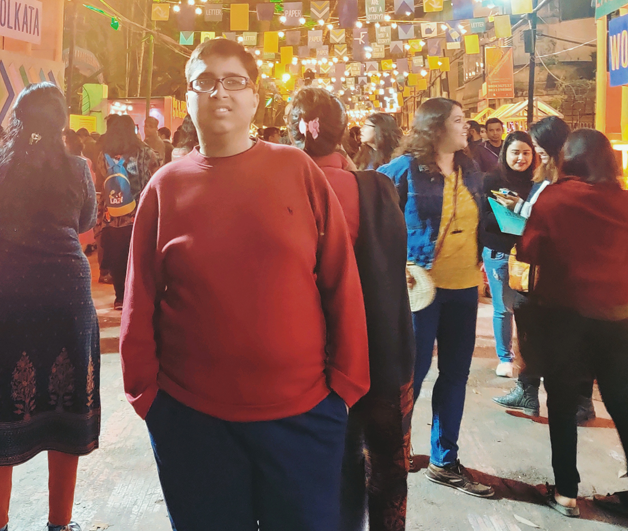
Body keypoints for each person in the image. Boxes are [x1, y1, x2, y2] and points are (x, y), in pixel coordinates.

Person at [120, 38, 370, 531]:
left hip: (304, 416)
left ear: (255, 97)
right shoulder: (165, 187)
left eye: (234, 81)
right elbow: (139, 296)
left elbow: (341, 279)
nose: (219, 93)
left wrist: (344, 387)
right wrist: (146, 396)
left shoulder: (297, 170)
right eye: (204, 82)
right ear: (188, 98)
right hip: (192, 420)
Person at [0, 83, 100, 531]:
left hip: (7, 295)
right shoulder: (78, 169)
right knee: (66, 405)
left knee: (2, 408)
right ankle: (60, 524)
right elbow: (85, 221)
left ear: (16, 117)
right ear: (60, 123)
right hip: (66, 295)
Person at [288, 87, 415, 531]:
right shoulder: (377, 188)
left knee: (328, 463)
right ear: (344, 134)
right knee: (383, 466)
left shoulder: (285, 192)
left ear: (293, 133)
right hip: (379, 347)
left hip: (312, 356)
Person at [379, 98, 494, 498]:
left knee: (456, 375)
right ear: (436, 127)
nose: (467, 127)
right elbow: (372, 218)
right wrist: (394, 268)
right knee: (412, 375)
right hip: (420, 292)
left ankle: (444, 460)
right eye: (459, 121)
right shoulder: (403, 170)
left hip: (464, 289)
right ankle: (395, 451)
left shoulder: (471, 169)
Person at [516, 128, 628, 517]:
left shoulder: (555, 198)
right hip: (618, 319)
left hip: (564, 318)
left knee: (562, 404)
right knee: (622, 402)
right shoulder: (624, 202)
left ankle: (565, 493)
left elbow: (529, 250)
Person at [492, 116, 595, 423]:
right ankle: (529, 390)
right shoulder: (548, 173)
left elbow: (552, 215)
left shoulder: (569, 177)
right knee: (532, 328)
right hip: (542, 268)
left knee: (569, 337)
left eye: (536, 144)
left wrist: (518, 209)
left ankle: (579, 402)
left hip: (563, 272)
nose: (532, 149)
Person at [480, 131, 537, 378]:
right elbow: (481, 219)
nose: (521, 158)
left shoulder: (539, 182)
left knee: (530, 310)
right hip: (500, 251)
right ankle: (505, 357)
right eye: (515, 152)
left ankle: (532, 360)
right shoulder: (491, 180)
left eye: (526, 153)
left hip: (531, 255)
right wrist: (508, 216)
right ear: (505, 154)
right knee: (503, 308)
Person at [96, 114, 158, 310]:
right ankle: (137, 295)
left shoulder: (103, 155)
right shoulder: (145, 152)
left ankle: (120, 297)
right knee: (139, 255)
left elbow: (102, 182)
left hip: (112, 215)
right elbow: (156, 176)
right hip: (139, 213)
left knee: (117, 256)